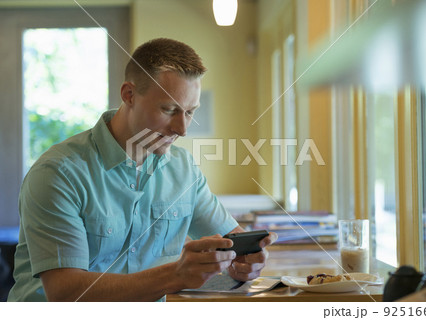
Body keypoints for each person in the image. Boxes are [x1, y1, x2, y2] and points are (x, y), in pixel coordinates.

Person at [8, 38, 277, 302]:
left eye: (190, 112)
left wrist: (244, 263)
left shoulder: (183, 169)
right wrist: (176, 275)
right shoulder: (58, 173)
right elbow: (65, 293)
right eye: (169, 109)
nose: (182, 129)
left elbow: (233, 240)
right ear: (129, 95)